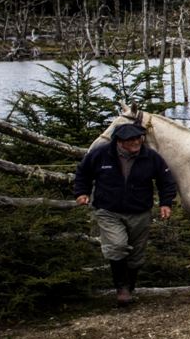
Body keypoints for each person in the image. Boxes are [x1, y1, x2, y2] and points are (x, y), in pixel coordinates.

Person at [73, 122, 178, 306]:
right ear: (119, 141)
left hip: (140, 212)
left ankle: (130, 287)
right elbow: (83, 173)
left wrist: (165, 203)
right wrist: (82, 192)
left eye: (138, 138)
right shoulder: (100, 154)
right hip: (108, 210)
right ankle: (121, 288)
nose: (136, 142)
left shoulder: (151, 157)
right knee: (117, 245)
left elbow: (165, 180)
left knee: (137, 254)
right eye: (131, 139)